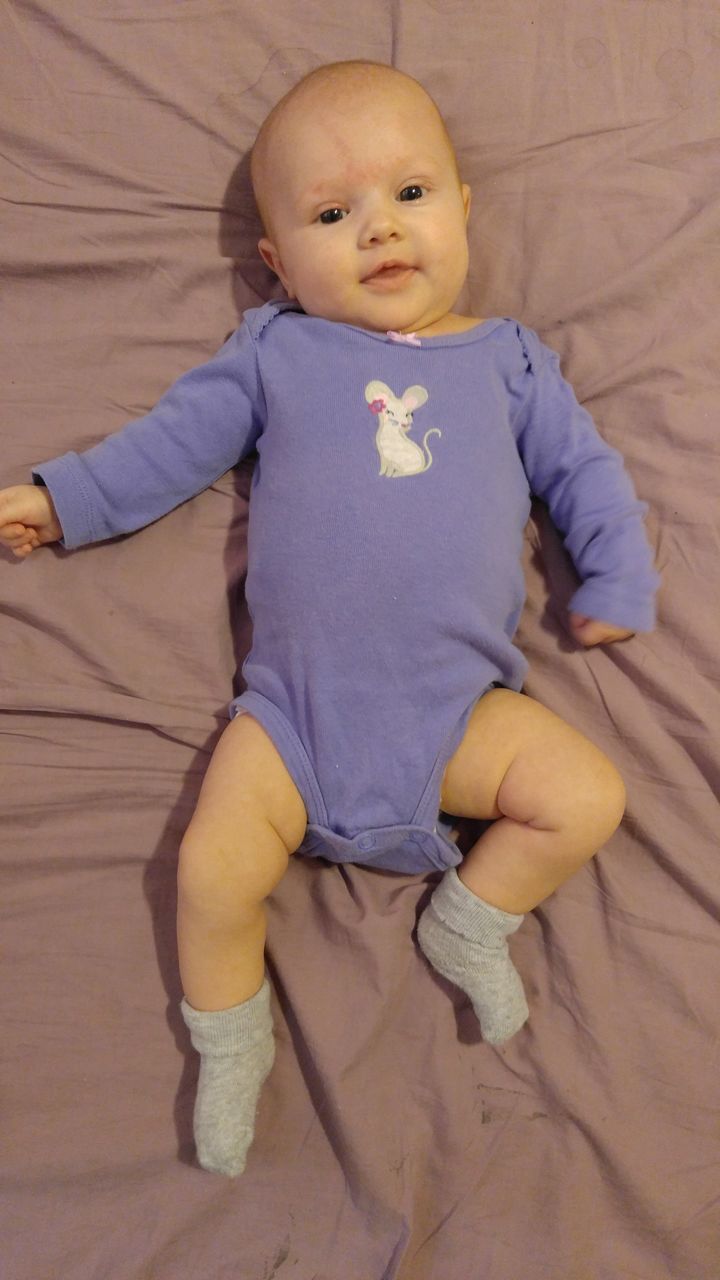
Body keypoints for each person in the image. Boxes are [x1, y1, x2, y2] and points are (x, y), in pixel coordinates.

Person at [0, 60, 659, 1178]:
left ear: (462, 208)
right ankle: (231, 1034)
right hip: (292, 722)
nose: (379, 231)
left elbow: (587, 477)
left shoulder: (506, 361)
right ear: (277, 263)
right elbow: (171, 445)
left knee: (588, 794)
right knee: (213, 872)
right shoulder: (278, 352)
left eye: (410, 194)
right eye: (331, 213)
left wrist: (617, 580)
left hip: (458, 713)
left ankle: (473, 915)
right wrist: (64, 499)